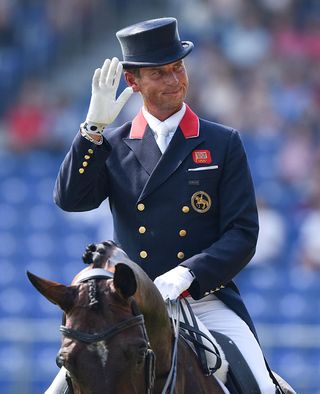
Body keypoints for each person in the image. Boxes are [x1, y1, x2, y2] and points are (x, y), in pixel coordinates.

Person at [53, 17, 277, 393]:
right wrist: (92, 130)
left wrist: (188, 274)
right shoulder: (115, 145)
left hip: (205, 300)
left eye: (178, 68)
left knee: (262, 386)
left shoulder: (222, 142)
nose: (175, 81)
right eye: (160, 73)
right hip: (128, 305)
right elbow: (71, 199)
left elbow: (242, 233)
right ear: (133, 81)